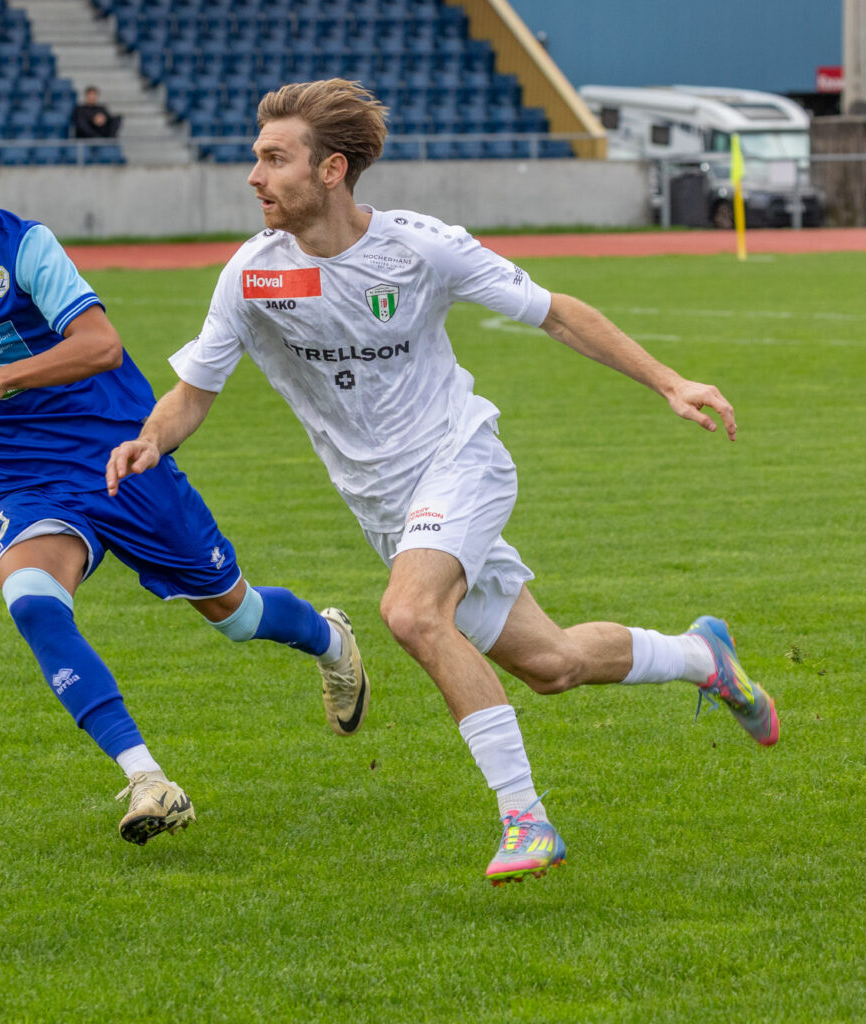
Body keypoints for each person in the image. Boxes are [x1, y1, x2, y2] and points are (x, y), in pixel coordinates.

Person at [107, 79, 779, 884]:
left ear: (331, 170)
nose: (255, 176)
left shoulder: (420, 247)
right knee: (553, 665)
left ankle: (526, 820)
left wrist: (669, 381)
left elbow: (556, 311)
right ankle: (704, 657)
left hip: (461, 462)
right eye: (257, 158)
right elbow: (193, 393)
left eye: (275, 159)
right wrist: (150, 440)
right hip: (386, 508)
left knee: (411, 612)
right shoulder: (252, 276)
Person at [0, 99, 371, 846]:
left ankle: (328, 639)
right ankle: (148, 779)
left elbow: (100, 344)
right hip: (25, 481)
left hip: (118, 457)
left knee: (237, 616)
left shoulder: (24, 248)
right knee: (32, 600)